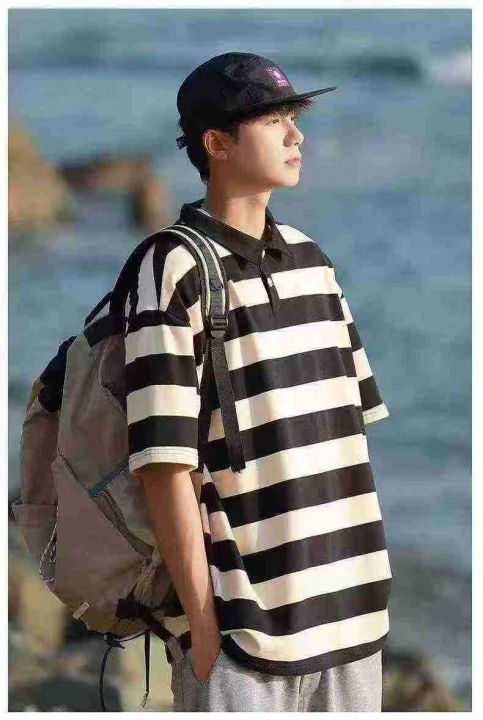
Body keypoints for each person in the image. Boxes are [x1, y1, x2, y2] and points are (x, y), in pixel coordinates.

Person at [125, 52, 392, 712]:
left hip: (353, 623)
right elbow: (163, 465)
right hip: (245, 635)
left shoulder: (312, 261)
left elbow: (344, 440)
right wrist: (204, 628)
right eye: (273, 121)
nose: (296, 135)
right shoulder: (173, 268)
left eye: (293, 118)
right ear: (217, 144)